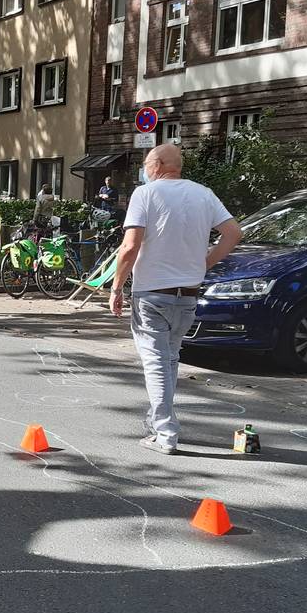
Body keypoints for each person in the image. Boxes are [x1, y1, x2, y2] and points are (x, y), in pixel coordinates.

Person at [110, 145, 243, 455]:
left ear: (157, 164)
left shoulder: (146, 194)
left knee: (155, 362)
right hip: (188, 294)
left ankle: (166, 432)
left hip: (152, 293)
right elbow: (233, 233)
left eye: (145, 164)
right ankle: (155, 422)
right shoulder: (203, 194)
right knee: (169, 360)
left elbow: (130, 246)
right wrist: (204, 264)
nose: (144, 170)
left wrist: (116, 287)